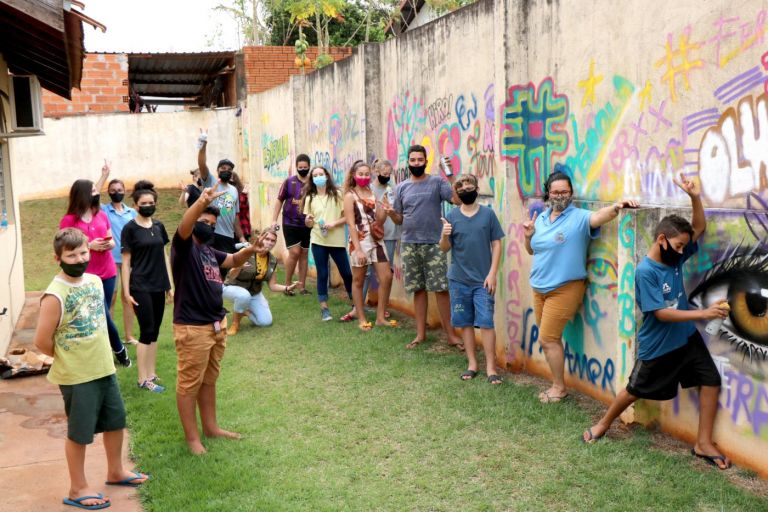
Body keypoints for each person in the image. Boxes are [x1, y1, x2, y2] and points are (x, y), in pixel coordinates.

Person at [583, 174, 732, 470]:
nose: (681, 252)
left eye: (683, 247)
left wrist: (694, 197)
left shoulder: (674, 256)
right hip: (658, 346)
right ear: (661, 239)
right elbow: (661, 314)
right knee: (634, 390)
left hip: (686, 338)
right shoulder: (646, 272)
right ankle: (603, 423)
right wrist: (703, 314)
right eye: (677, 246)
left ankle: (702, 443)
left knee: (710, 380)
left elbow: (698, 227)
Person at [34, 228, 148, 511]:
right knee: (80, 431)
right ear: (57, 258)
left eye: (83, 252)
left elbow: (102, 321)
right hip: (76, 375)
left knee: (116, 420)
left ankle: (115, 471)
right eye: (71, 255)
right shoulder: (55, 295)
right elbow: (41, 341)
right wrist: (69, 358)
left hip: (103, 368)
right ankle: (77, 487)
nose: (79, 259)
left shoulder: (96, 281)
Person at [523, 164, 638, 403]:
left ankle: (558, 388)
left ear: (571, 193)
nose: (560, 196)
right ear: (548, 193)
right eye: (555, 192)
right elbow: (532, 250)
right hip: (539, 287)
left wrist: (617, 207)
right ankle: (557, 384)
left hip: (564, 288)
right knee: (549, 339)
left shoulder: (578, 217)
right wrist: (527, 236)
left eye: (565, 192)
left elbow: (599, 217)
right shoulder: (542, 218)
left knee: (547, 338)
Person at [171, 186, 266, 454]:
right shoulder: (184, 247)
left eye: (212, 224)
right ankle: (192, 439)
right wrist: (202, 201)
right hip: (193, 327)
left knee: (209, 380)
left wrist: (252, 249)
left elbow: (234, 259)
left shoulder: (209, 252)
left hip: (215, 325)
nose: (207, 227)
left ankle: (211, 428)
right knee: (189, 383)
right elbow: (185, 224)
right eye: (203, 222)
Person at [387, 145, 463, 349]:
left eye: (420, 160)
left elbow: (457, 200)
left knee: (441, 289)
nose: (416, 164)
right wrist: (391, 214)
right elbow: (399, 219)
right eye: (413, 160)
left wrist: (450, 175)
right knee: (418, 289)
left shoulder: (437, 182)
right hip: (410, 244)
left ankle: (451, 336)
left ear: (426, 161)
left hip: (434, 243)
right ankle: (420, 334)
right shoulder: (401, 187)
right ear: (408, 162)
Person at [439, 175, 505, 384]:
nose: (466, 189)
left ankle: (491, 368)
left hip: (483, 281)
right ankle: (472, 364)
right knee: (465, 322)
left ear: (477, 189)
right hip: (458, 281)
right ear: (457, 192)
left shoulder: (488, 215)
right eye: (462, 187)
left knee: (486, 322)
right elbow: (444, 248)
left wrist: (492, 273)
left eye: (470, 186)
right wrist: (444, 235)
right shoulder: (451, 216)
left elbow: (496, 244)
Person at [60, 174, 130, 368]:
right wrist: (89, 246)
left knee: (101, 313)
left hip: (107, 272)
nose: (96, 192)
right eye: (92, 190)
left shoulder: (101, 215)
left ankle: (106, 351)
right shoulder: (68, 221)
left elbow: (112, 240)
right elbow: (65, 247)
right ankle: (118, 350)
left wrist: (107, 245)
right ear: (83, 194)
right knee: (99, 314)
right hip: (85, 275)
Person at [121, 181, 172, 393]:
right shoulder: (130, 229)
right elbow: (125, 262)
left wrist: (170, 285)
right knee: (146, 330)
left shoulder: (159, 226)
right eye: (144, 202)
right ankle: (142, 380)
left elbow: (164, 255)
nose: (148, 205)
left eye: (151, 202)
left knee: (155, 331)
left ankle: (151, 373)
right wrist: (126, 292)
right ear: (135, 204)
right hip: (140, 284)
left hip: (159, 284)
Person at [343, 161, 394, 331]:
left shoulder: (373, 193)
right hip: (359, 241)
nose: (364, 177)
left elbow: (379, 221)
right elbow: (351, 224)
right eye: (361, 174)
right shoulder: (350, 195)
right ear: (354, 175)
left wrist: (385, 209)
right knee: (358, 281)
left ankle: (380, 317)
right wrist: (357, 249)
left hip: (376, 240)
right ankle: (361, 318)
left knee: (386, 277)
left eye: (366, 174)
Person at [302, 166, 354, 322]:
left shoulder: (338, 194)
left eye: (321, 174)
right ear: (312, 179)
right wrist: (308, 221)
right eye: (315, 175)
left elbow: (347, 217)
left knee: (346, 273)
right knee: (322, 274)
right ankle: (324, 308)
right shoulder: (310, 197)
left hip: (337, 241)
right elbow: (309, 223)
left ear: (326, 176)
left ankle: (355, 304)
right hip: (318, 240)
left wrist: (333, 224)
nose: (318, 177)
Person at [223, 228, 296, 334]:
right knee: (243, 296)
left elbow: (273, 285)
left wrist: (287, 288)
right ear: (261, 238)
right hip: (231, 287)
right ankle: (235, 324)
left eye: (273, 241)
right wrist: (238, 267)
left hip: (253, 292)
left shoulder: (272, 260)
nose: (270, 243)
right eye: (267, 239)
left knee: (265, 322)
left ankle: (244, 311)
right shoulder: (246, 251)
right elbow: (231, 276)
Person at [196, 128, 246, 275]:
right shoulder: (210, 181)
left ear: (232, 173)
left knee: (223, 274)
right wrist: (203, 144)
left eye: (229, 169)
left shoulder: (234, 190)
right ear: (218, 171)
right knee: (207, 271)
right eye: (223, 168)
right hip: (210, 233)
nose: (226, 170)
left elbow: (235, 216)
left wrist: (241, 236)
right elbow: (202, 165)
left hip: (228, 237)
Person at [100, 176, 138, 346]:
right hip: (111, 261)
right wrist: (104, 176)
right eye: (113, 190)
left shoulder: (132, 212)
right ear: (108, 192)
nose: (117, 193)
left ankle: (129, 336)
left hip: (129, 260)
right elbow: (90, 196)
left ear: (125, 192)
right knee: (112, 297)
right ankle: (110, 337)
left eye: (120, 190)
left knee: (127, 297)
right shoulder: (103, 210)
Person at [361, 159, 400, 316]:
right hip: (369, 236)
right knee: (366, 272)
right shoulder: (367, 189)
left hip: (389, 235)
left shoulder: (392, 190)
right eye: (384, 173)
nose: (387, 176)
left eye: (389, 174)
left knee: (386, 274)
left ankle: (382, 308)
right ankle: (358, 305)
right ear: (376, 172)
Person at [272, 154, 312, 295]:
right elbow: (279, 200)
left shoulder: (312, 183)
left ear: (309, 167)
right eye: (300, 167)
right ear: (296, 167)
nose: (302, 169)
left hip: (307, 224)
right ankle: (288, 285)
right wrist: (273, 220)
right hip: (290, 222)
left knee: (304, 253)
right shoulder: (289, 182)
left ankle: (302, 286)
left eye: (305, 167)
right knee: (294, 252)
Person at [231, 171, 251, 242]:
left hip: (241, 226)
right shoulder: (241, 193)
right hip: (239, 226)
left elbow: (239, 208)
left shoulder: (241, 194)